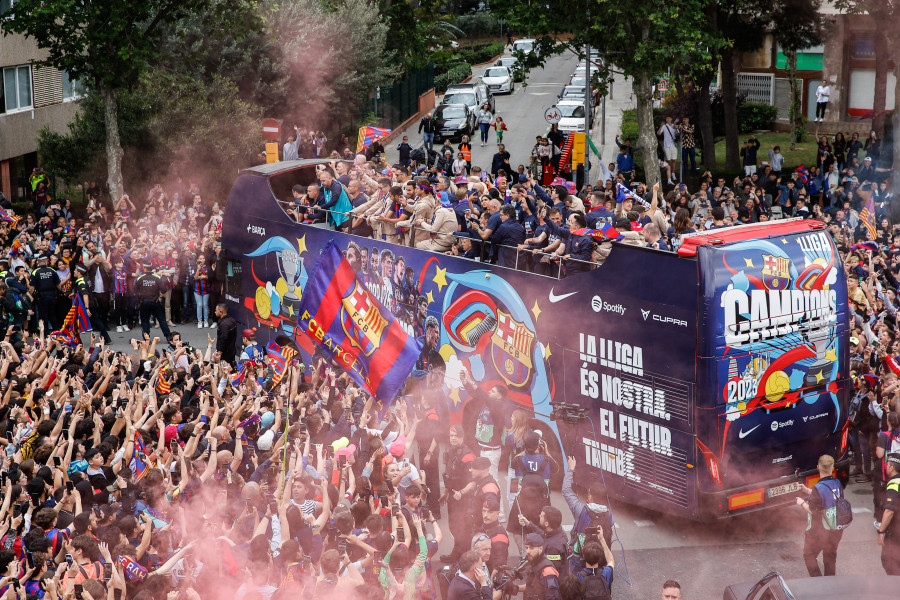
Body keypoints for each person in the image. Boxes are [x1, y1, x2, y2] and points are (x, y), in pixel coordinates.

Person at [795, 454, 845, 577]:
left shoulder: (818, 488)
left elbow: (813, 510)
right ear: (832, 468)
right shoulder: (837, 483)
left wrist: (801, 503)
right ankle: (830, 585)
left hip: (819, 531)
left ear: (818, 467)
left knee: (809, 555)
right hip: (836, 529)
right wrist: (807, 490)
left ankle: (818, 582)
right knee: (830, 557)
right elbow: (826, 495)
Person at [134, 260, 171, 339]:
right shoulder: (157, 277)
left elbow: (134, 291)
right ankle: (168, 337)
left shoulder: (140, 278)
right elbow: (164, 290)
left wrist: (138, 301)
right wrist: (161, 298)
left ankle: (146, 338)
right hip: (155, 302)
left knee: (144, 321)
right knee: (161, 320)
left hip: (143, 303)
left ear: (144, 268)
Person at [517, 533, 560, 600]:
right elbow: (531, 586)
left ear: (540, 548)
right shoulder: (534, 561)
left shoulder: (548, 571)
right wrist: (515, 588)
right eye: (526, 547)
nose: (528, 551)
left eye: (532, 548)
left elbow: (552, 597)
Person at [878, 452, 900, 575]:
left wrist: (881, 531)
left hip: (896, 532)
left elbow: (889, 510)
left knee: (889, 561)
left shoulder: (893, 484)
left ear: (891, 468)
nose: (886, 466)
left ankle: (895, 589)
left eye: (887, 464)